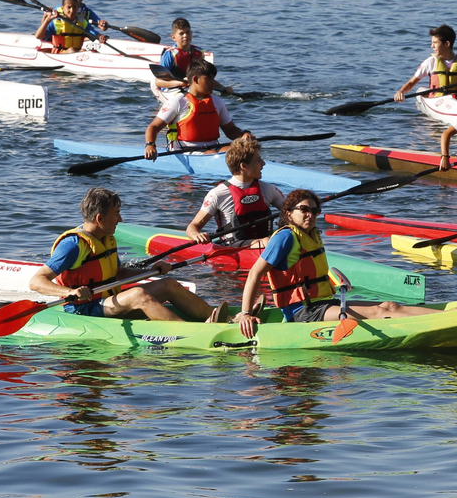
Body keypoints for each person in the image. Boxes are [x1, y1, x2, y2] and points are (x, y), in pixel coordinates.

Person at [235, 189, 455, 337]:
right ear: (289, 214)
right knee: (377, 312)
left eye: (314, 210)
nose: (310, 214)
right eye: (304, 209)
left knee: (390, 306)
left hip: (322, 303)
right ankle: (447, 322)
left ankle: (451, 315)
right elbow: (255, 273)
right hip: (303, 311)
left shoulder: (310, 235)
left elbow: (311, 270)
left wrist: (334, 276)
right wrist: (245, 313)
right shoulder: (285, 237)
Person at [29, 186, 220, 321]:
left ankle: (219, 318)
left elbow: (119, 274)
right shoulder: (73, 245)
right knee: (137, 294)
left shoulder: (107, 238)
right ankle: (189, 332)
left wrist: (152, 271)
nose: (120, 219)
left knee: (168, 284)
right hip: (83, 308)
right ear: (100, 218)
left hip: (108, 301)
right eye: (116, 213)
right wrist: (70, 292)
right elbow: (36, 281)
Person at [186, 136, 286, 245]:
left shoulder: (268, 189)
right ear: (244, 166)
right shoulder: (218, 193)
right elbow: (193, 227)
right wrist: (197, 235)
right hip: (232, 246)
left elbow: (290, 211)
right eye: (258, 160)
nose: (263, 163)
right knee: (267, 242)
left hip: (264, 243)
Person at [145, 62, 247, 157]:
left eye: (214, 79)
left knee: (242, 150)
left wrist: (244, 134)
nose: (213, 83)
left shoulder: (217, 102)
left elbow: (230, 130)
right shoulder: (178, 102)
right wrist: (150, 145)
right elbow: (154, 127)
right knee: (212, 154)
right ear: (195, 79)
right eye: (209, 79)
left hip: (213, 147)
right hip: (183, 150)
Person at [394, 24, 457, 105]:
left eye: (435, 43)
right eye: (432, 43)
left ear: (447, 44)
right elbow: (411, 83)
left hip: (456, 101)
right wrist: (401, 92)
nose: (432, 46)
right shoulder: (430, 62)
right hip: (437, 101)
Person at [152, 17, 232, 97]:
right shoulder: (170, 54)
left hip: (191, 89)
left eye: (188, 32)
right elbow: (158, 82)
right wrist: (181, 83)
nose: (185, 36)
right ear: (173, 37)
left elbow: (205, 77)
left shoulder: (199, 52)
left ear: (191, 33)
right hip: (172, 90)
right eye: (181, 33)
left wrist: (223, 88)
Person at [34, 0, 102, 54]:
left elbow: (94, 34)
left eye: (74, 7)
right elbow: (38, 36)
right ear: (63, 8)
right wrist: (48, 20)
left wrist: (101, 37)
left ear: (78, 8)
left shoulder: (83, 23)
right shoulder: (56, 23)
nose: (72, 10)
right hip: (59, 54)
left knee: (84, 50)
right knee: (72, 50)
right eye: (69, 7)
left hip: (77, 53)